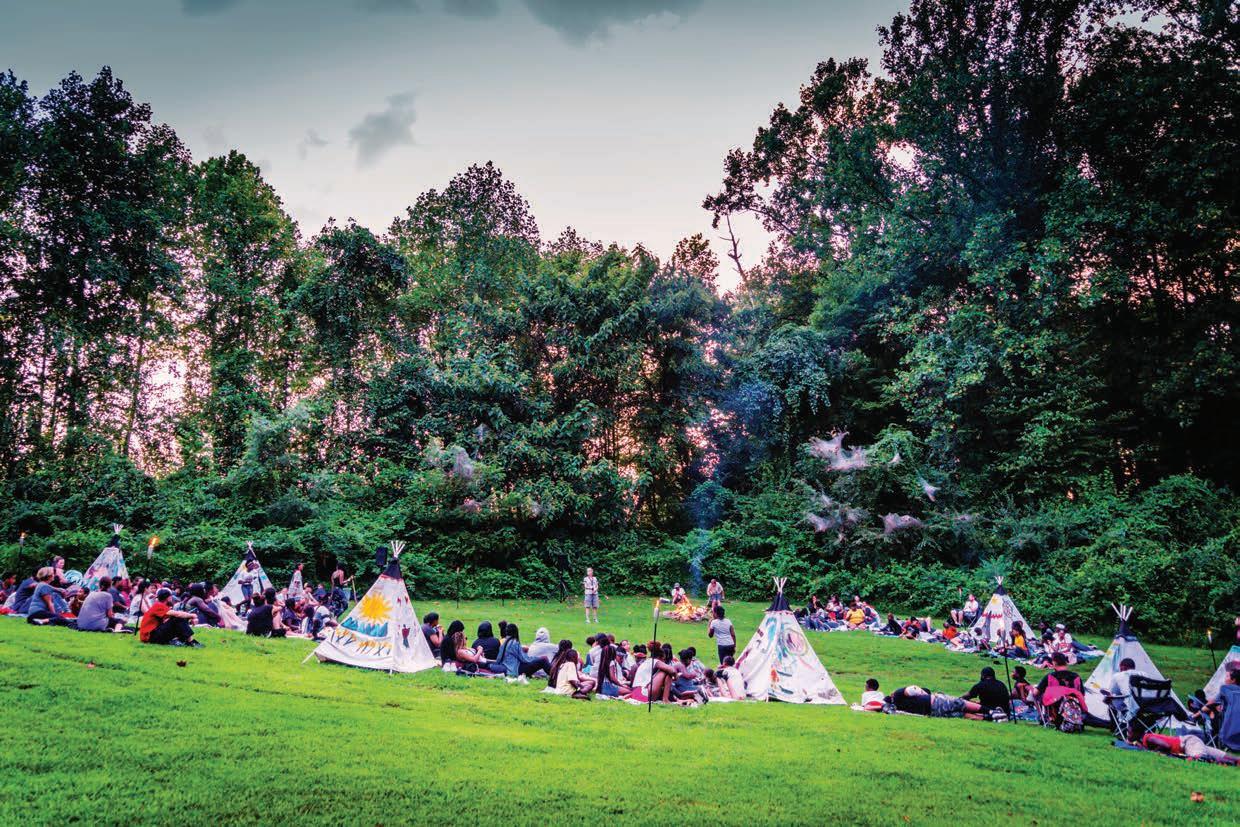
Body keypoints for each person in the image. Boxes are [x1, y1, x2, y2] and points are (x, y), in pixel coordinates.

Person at [1034, 652, 1086, 731]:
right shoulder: (1076, 677)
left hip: (1056, 708)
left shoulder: (1050, 676)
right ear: (1066, 662)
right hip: (1074, 706)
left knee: (1036, 694)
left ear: (1054, 663)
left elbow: (1035, 692)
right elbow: (1082, 695)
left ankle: (1043, 718)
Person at [1198, 668, 1240, 751]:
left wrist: (1197, 714)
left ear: (1233, 680)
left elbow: (1210, 704)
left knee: (1211, 710)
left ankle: (1215, 741)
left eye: (1227, 676)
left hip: (1226, 726)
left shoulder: (1225, 689)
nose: (1225, 679)